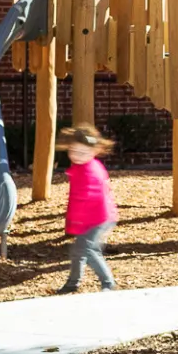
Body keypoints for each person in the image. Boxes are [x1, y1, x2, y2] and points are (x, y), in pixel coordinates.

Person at [58, 124, 118, 293]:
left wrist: (76, 221)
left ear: (94, 152)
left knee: (87, 249)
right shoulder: (81, 167)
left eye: (83, 153)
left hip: (99, 218)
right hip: (91, 218)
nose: (77, 156)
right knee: (79, 250)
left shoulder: (90, 171)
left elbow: (86, 199)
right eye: (74, 151)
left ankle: (108, 283)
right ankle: (72, 283)